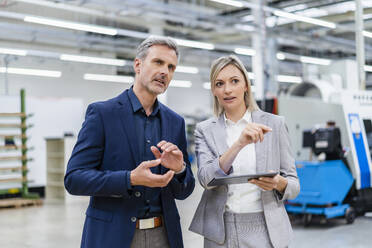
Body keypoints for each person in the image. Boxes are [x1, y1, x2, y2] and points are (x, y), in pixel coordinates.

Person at [64, 36, 195, 248]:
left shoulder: (175, 122)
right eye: (158, 62)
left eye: (171, 67)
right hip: (113, 236)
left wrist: (180, 170)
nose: (165, 72)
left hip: (163, 235)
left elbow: (184, 191)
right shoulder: (103, 114)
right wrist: (130, 179)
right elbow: (74, 179)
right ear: (138, 65)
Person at [189, 55, 300, 248]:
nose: (228, 89)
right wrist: (238, 144)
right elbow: (205, 179)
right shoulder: (204, 130)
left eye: (235, 81)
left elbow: (294, 185)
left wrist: (279, 183)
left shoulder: (275, 124)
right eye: (220, 83)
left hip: (266, 228)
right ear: (214, 90)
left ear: (246, 86)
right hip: (220, 232)